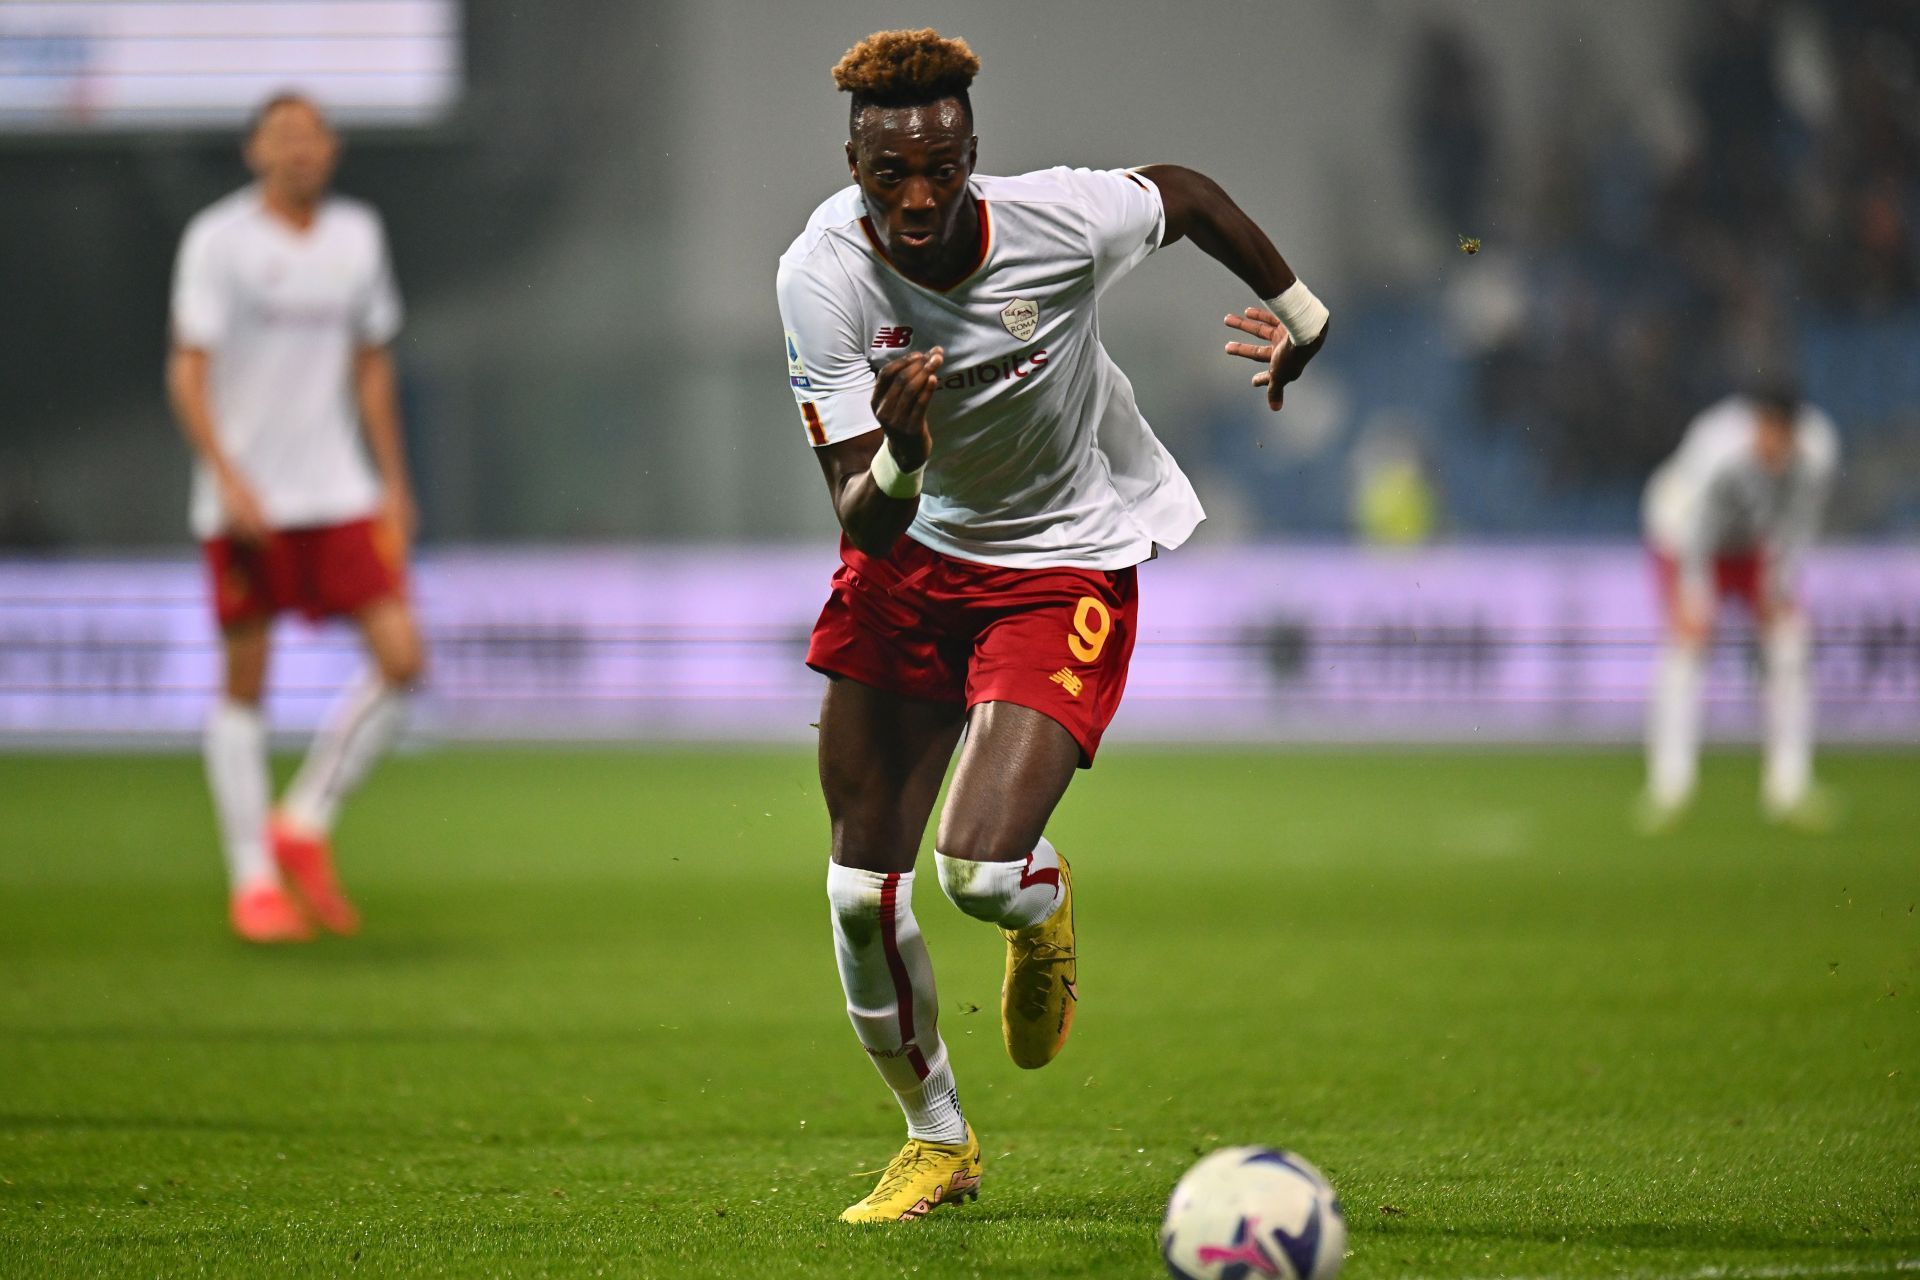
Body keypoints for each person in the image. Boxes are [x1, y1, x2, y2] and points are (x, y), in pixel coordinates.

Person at [776, 29, 1329, 1222]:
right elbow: (862, 521)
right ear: (854, 162)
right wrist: (912, 456)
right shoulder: (820, 278)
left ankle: (1042, 907)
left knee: (976, 868)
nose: (916, 199)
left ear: (975, 151)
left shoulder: (1059, 222)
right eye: (888, 176)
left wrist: (1301, 309)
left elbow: (1184, 196)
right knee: (856, 893)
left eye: (941, 168)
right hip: (910, 556)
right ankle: (937, 1140)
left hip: (1060, 558)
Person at [166, 93, 424, 944]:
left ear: (332, 149)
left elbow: (371, 367)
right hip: (248, 500)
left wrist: (393, 485)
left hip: (338, 491)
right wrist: (228, 480)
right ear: (254, 151)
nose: (298, 151)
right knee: (246, 682)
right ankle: (252, 880)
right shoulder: (219, 240)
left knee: (402, 660)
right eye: (282, 137)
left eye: (310, 137)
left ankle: (302, 821)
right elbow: (187, 371)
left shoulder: (358, 235)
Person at [1640, 384, 1839, 830]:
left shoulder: (1819, 451)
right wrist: (1692, 596)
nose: (1766, 440)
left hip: (1755, 547)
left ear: (1792, 431)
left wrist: (1779, 584)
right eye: (1761, 427)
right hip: (1683, 538)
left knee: (1790, 646)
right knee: (1685, 651)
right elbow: (1692, 523)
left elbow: (1800, 523)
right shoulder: (1715, 445)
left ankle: (1789, 785)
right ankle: (1670, 785)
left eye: (1777, 430)